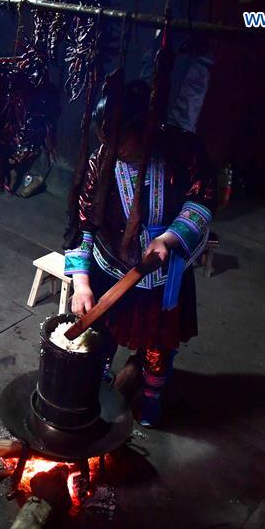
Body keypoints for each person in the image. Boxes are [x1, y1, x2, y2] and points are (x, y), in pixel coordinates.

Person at [64, 80, 216, 428]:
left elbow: (202, 199)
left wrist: (170, 238)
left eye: (123, 142)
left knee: (158, 346)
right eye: (108, 141)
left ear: (147, 128)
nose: (115, 150)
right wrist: (82, 283)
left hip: (162, 274)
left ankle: (151, 399)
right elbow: (82, 224)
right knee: (104, 335)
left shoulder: (183, 150)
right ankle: (101, 389)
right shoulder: (101, 160)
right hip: (110, 268)